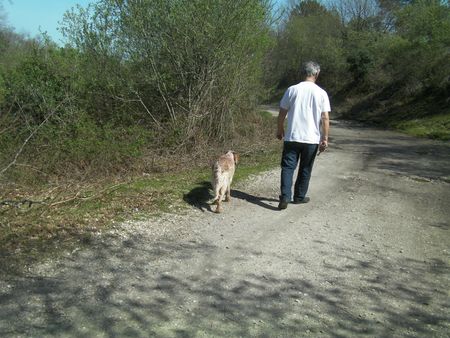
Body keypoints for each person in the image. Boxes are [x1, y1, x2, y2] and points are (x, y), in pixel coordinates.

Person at [276, 61, 330, 210]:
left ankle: (285, 196)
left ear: (303, 73)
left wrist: (280, 130)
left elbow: (282, 113)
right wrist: (324, 138)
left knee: (287, 167)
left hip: (292, 136)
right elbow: (325, 118)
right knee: (305, 168)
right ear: (317, 74)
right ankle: (299, 197)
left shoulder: (292, 90)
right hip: (311, 139)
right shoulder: (321, 93)